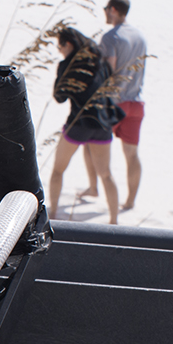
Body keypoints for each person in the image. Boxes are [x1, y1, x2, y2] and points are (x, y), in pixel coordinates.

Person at [49, 27, 124, 224]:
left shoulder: (68, 65)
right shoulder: (99, 60)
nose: (60, 51)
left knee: (58, 170)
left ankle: (53, 213)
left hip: (79, 123)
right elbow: (110, 83)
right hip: (102, 123)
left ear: (68, 44)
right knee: (106, 174)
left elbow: (59, 97)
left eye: (60, 46)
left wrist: (63, 73)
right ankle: (114, 220)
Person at [80, 0, 148, 211]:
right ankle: (130, 201)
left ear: (113, 10)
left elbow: (108, 71)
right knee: (132, 154)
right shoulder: (140, 36)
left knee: (90, 144)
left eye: (106, 9)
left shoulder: (111, 37)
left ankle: (94, 188)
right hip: (136, 103)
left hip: (114, 103)